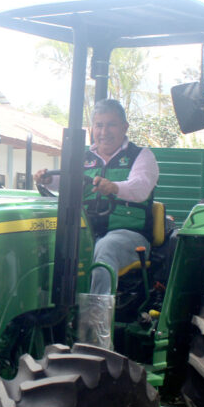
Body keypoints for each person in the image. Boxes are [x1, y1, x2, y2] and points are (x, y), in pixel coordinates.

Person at [35, 99, 159, 295]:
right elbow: (67, 182)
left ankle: (95, 320)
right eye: (99, 125)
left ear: (124, 127)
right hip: (87, 231)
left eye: (111, 124)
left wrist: (114, 187)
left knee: (105, 248)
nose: (104, 132)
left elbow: (141, 187)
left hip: (128, 235)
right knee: (47, 245)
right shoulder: (83, 158)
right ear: (92, 128)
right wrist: (48, 180)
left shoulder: (141, 156)